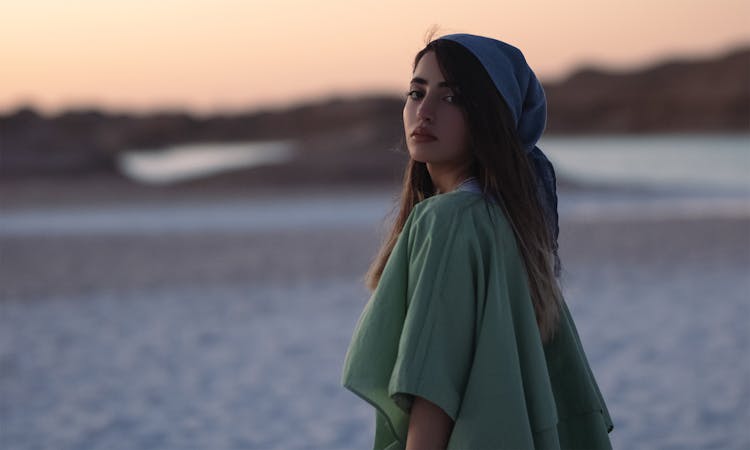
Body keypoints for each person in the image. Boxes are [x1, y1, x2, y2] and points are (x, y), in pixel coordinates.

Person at [341, 32, 613, 450]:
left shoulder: (448, 220)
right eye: (416, 92)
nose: (425, 111)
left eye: (452, 98)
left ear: (489, 116)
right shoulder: (512, 220)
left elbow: (432, 388)